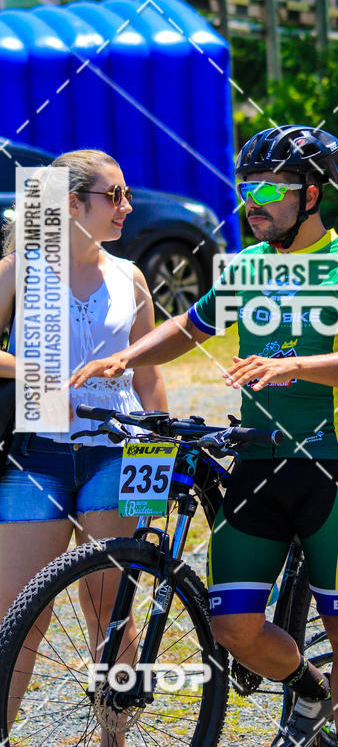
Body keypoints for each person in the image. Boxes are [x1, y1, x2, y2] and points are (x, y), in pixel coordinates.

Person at [70, 126, 338, 747]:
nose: (254, 200)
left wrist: (296, 366)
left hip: (328, 465)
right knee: (234, 626)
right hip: (254, 458)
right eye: (248, 187)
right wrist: (127, 357)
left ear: (312, 193)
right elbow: (191, 326)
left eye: (271, 187)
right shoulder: (246, 267)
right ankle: (307, 686)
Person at [0, 149, 167, 743]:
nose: (127, 207)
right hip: (36, 452)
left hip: (117, 452)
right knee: (20, 618)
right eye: (113, 196)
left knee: (110, 612)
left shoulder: (131, 275)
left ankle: (114, 739)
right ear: (72, 204)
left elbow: (147, 374)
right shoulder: (21, 268)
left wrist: (162, 450)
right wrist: (41, 382)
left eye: (127, 194)